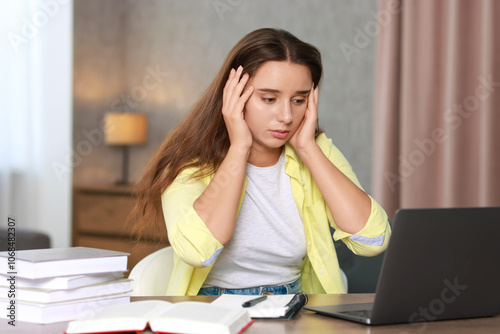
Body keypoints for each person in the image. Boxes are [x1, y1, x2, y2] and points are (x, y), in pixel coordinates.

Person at [132, 28, 391, 296]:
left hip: (295, 304)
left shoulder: (317, 151)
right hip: (212, 308)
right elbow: (197, 252)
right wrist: (239, 148)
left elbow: (373, 240)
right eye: (269, 99)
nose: (287, 116)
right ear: (234, 96)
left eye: (299, 100)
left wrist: (308, 148)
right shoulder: (189, 164)